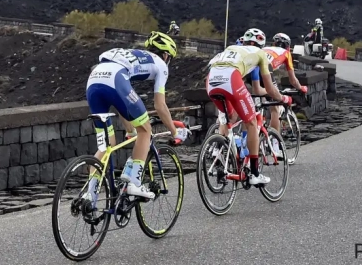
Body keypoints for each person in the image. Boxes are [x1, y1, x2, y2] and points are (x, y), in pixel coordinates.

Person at [85, 31, 189, 200]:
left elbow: (122, 105)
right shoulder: (161, 64)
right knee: (145, 131)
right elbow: (160, 105)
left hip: (94, 80)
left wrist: (130, 130)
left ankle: (89, 198)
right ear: (165, 54)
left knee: (106, 145)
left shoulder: (133, 55)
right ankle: (133, 182)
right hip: (115, 79)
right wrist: (175, 132)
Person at [205, 28, 292, 186]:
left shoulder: (232, 48)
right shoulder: (260, 54)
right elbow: (268, 89)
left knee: (230, 118)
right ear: (262, 45)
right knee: (251, 122)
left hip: (211, 80)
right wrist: (283, 98)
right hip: (231, 79)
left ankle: (222, 148)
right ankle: (254, 174)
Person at [257, 33, 307, 159]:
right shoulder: (286, 53)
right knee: (276, 107)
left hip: (251, 71)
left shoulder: (265, 49)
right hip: (265, 70)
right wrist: (301, 88)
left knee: (258, 101)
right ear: (287, 46)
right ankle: (275, 146)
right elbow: (293, 80)